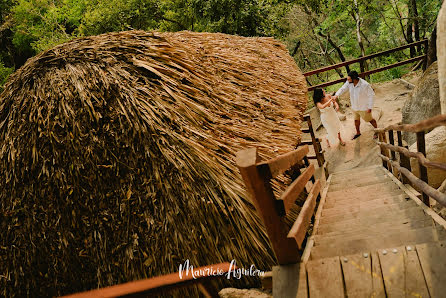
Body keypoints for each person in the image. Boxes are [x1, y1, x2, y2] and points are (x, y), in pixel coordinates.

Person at [332, 70, 378, 140]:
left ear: (354, 78)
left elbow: (371, 95)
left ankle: (377, 130)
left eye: (349, 79)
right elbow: (342, 89)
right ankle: (358, 132)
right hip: (354, 106)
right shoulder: (349, 83)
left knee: (370, 120)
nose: (347, 80)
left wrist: (370, 107)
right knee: (356, 120)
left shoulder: (365, 85)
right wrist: (336, 95)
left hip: (363, 107)